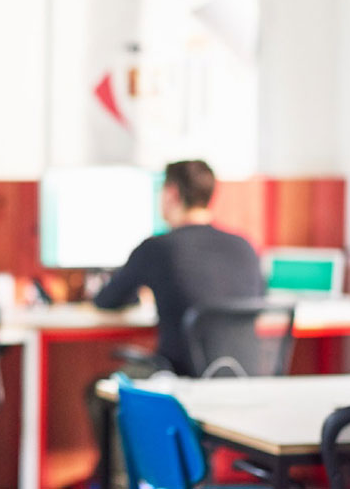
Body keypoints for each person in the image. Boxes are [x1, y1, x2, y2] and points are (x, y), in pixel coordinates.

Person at [93, 159, 264, 376]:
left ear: (172, 193)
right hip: (245, 381)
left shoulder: (157, 248)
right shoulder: (245, 247)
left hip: (180, 384)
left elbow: (107, 301)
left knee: (101, 388)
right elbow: (257, 301)